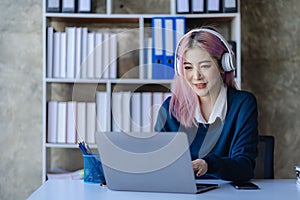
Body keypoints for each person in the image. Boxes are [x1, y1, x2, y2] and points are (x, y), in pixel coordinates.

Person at [154, 26, 258, 182]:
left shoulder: (242, 104)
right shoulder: (170, 109)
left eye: (205, 66)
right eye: (188, 67)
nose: (196, 76)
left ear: (224, 65)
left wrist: (209, 164)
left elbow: (245, 167)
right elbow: (158, 164)